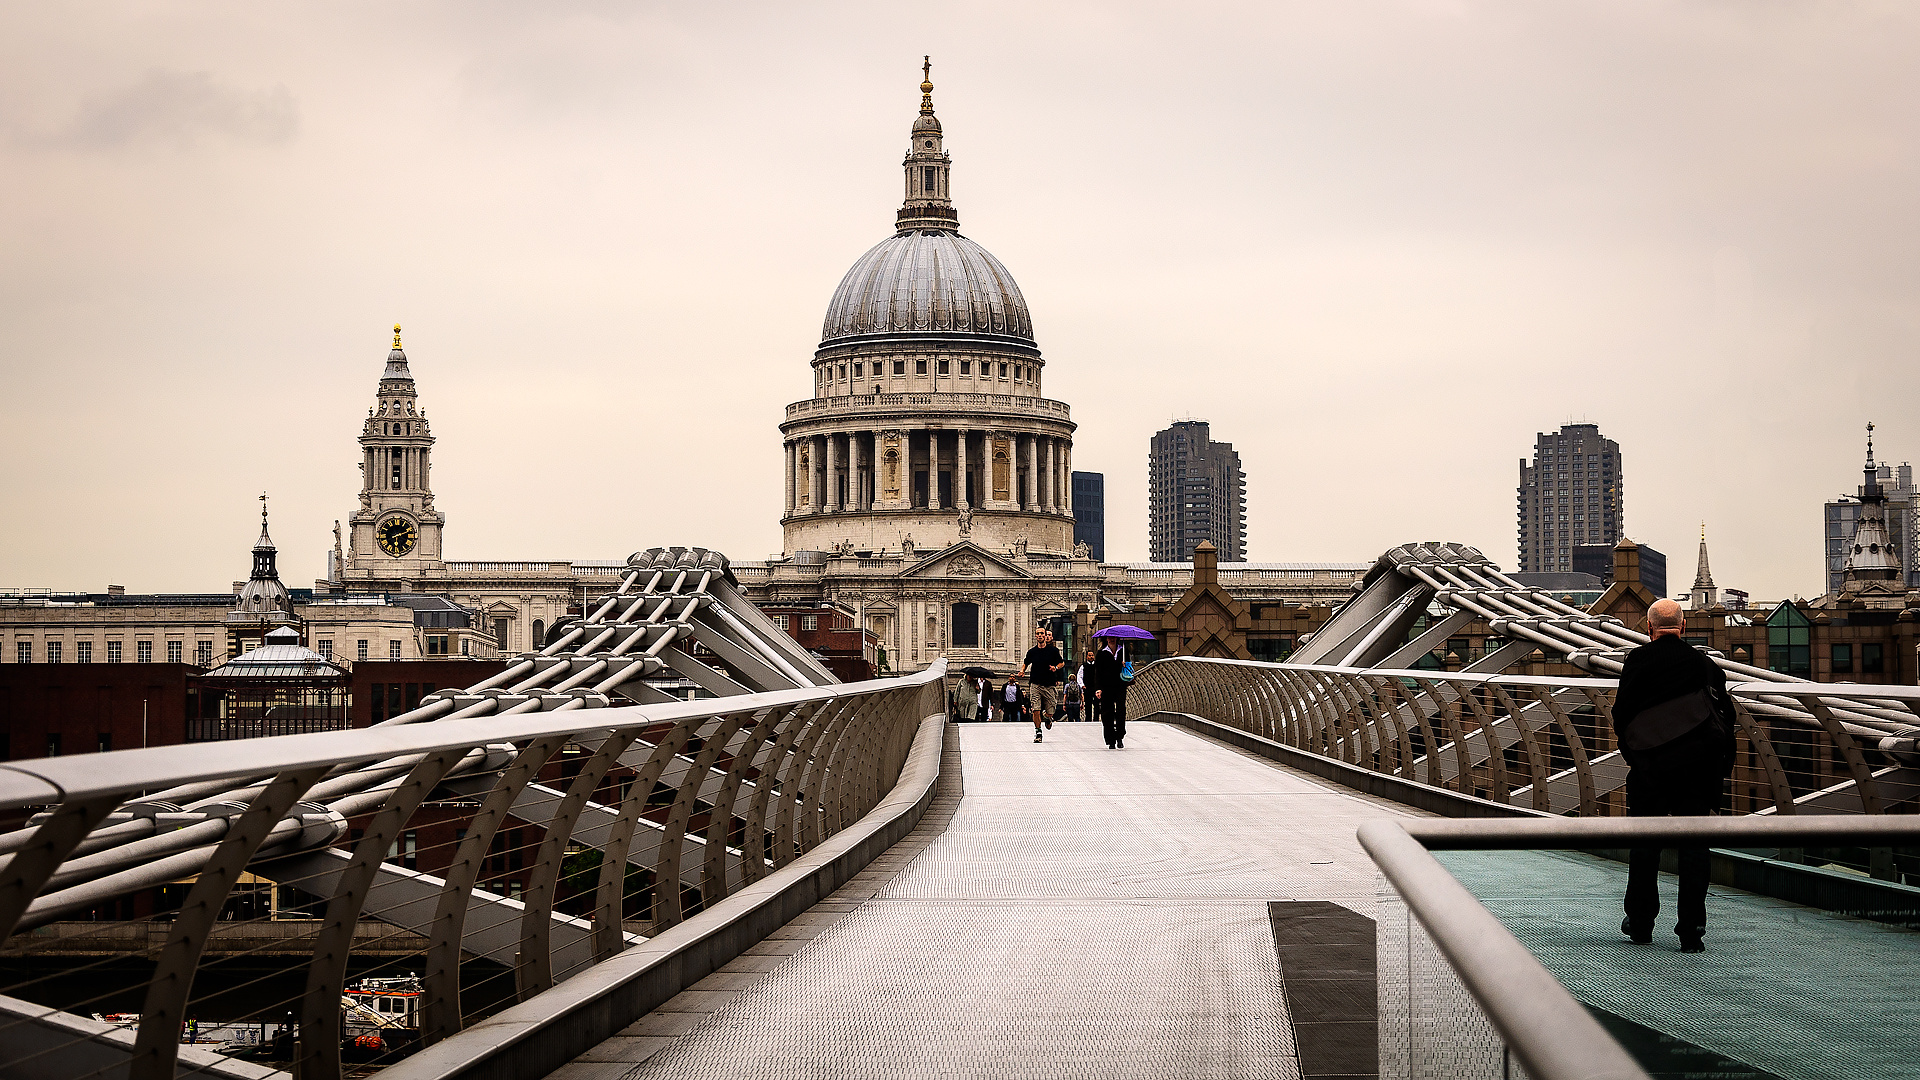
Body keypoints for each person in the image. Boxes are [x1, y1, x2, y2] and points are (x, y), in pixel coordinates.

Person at [1613, 598, 1734, 954]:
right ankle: (1692, 929)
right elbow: (1724, 717)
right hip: (1698, 772)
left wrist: (1637, 755)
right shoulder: (1706, 665)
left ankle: (1640, 922)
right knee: (1694, 848)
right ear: (1683, 627)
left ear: (1648, 628)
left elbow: (1621, 715)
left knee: (1645, 846)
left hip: (1650, 769)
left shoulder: (1637, 660)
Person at [1018, 628, 1067, 737]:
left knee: (1051, 711)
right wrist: (1022, 671)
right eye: (1037, 634)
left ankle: (1047, 716)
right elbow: (1026, 663)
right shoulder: (1032, 652)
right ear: (1035, 636)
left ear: (1045, 636)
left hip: (1049, 684)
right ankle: (1038, 731)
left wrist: (1055, 667)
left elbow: (1061, 663)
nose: (1040, 635)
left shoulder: (1053, 651)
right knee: (1036, 709)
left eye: (1042, 634)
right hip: (1035, 684)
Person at [1092, 638, 1130, 749]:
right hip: (1106, 687)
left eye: (1113, 637)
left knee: (1121, 711)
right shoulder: (1101, 653)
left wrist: (1124, 665)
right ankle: (1110, 739)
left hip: (1120, 685)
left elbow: (1128, 667)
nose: (1111, 639)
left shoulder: (1123, 651)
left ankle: (1120, 736)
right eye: (1109, 637)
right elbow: (1097, 672)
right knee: (1106, 713)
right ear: (1106, 639)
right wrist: (1098, 688)